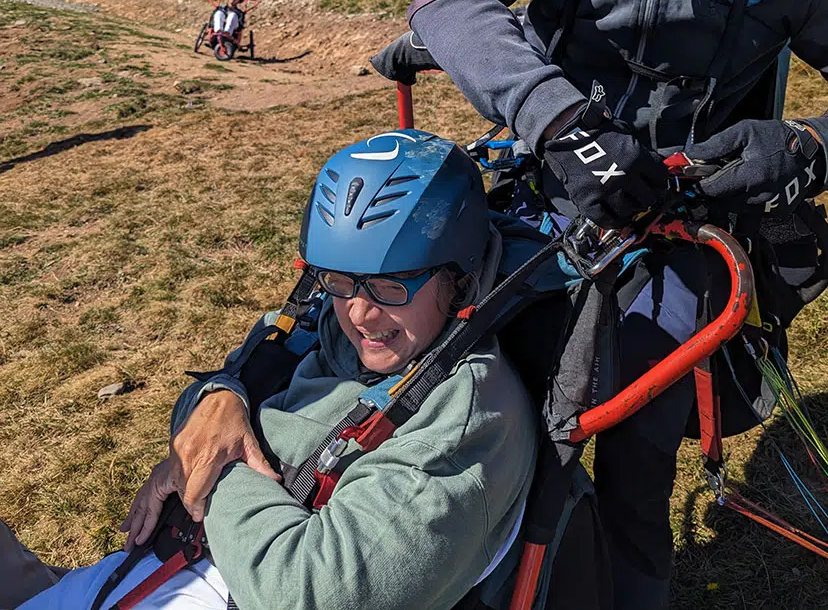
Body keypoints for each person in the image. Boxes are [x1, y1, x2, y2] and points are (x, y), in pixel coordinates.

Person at [405, 0, 828, 609]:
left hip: (682, 226)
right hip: (543, 199)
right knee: (478, 411)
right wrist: (558, 120)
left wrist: (803, 146)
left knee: (640, 445)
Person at [16, 130, 536, 610]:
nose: (359, 313)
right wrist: (218, 401)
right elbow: (233, 374)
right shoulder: (323, 327)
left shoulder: (461, 423)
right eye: (340, 280)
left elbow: (304, 595)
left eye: (390, 286)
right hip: (164, 564)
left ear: (458, 279)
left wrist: (213, 463)